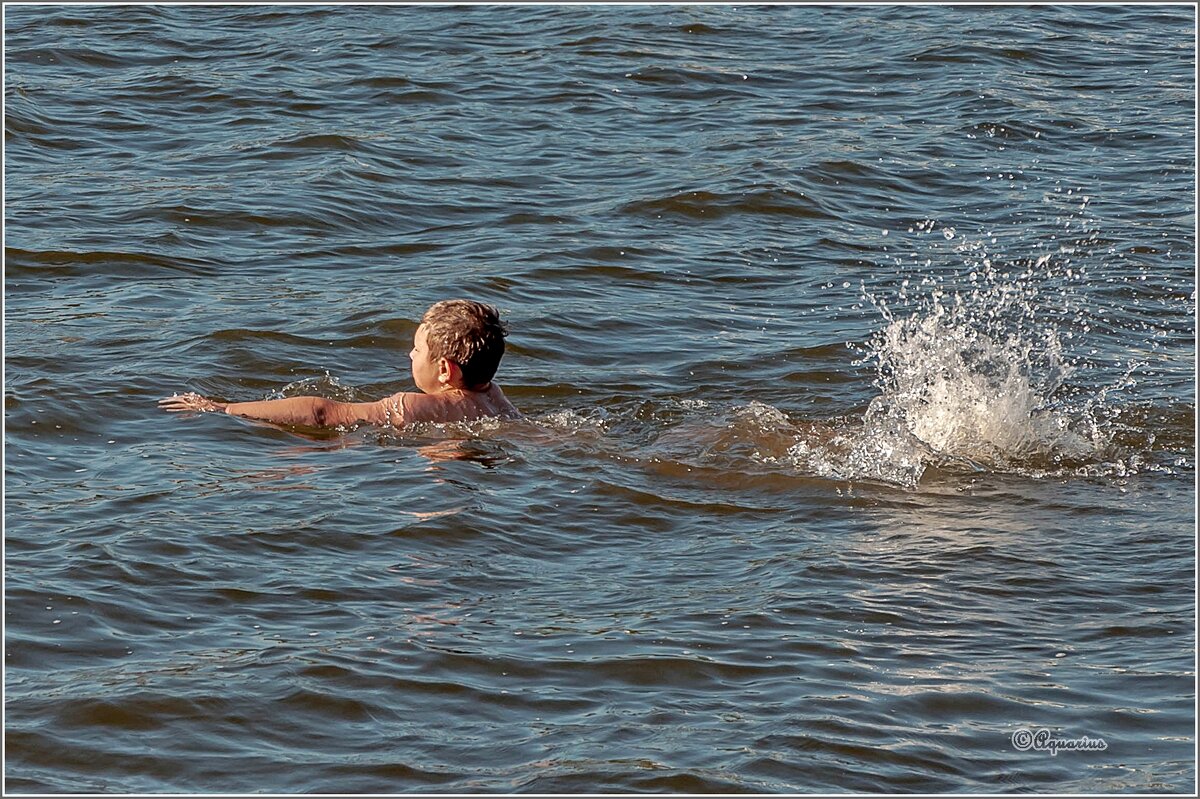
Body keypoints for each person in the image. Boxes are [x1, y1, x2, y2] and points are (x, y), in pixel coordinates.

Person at [159, 299, 520, 428]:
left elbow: (322, 413)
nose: (410, 355)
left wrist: (220, 408)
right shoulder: (493, 397)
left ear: (444, 370)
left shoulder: (414, 405)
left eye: (417, 349)